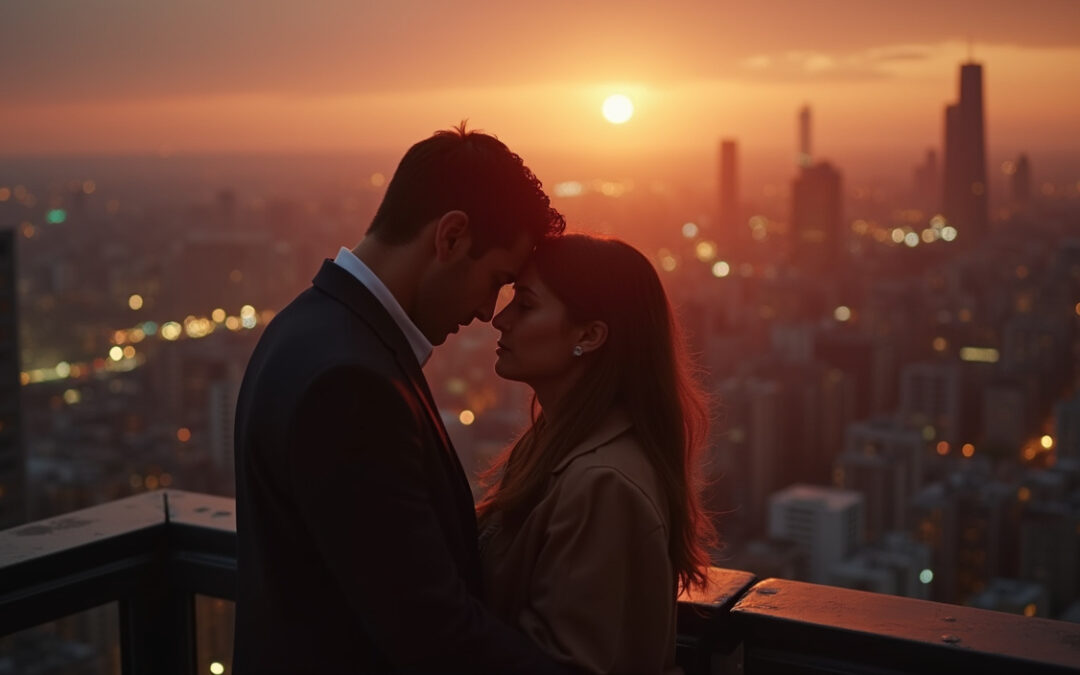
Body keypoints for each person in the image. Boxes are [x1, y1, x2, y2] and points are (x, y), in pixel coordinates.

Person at [232, 124, 568, 674]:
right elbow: (431, 630)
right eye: (494, 279)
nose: (488, 311)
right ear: (451, 236)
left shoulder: (304, 328)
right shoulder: (349, 384)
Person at [477, 234, 716, 675]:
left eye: (526, 305)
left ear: (589, 335)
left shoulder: (600, 483)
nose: (500, 319)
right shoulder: (556, 444)